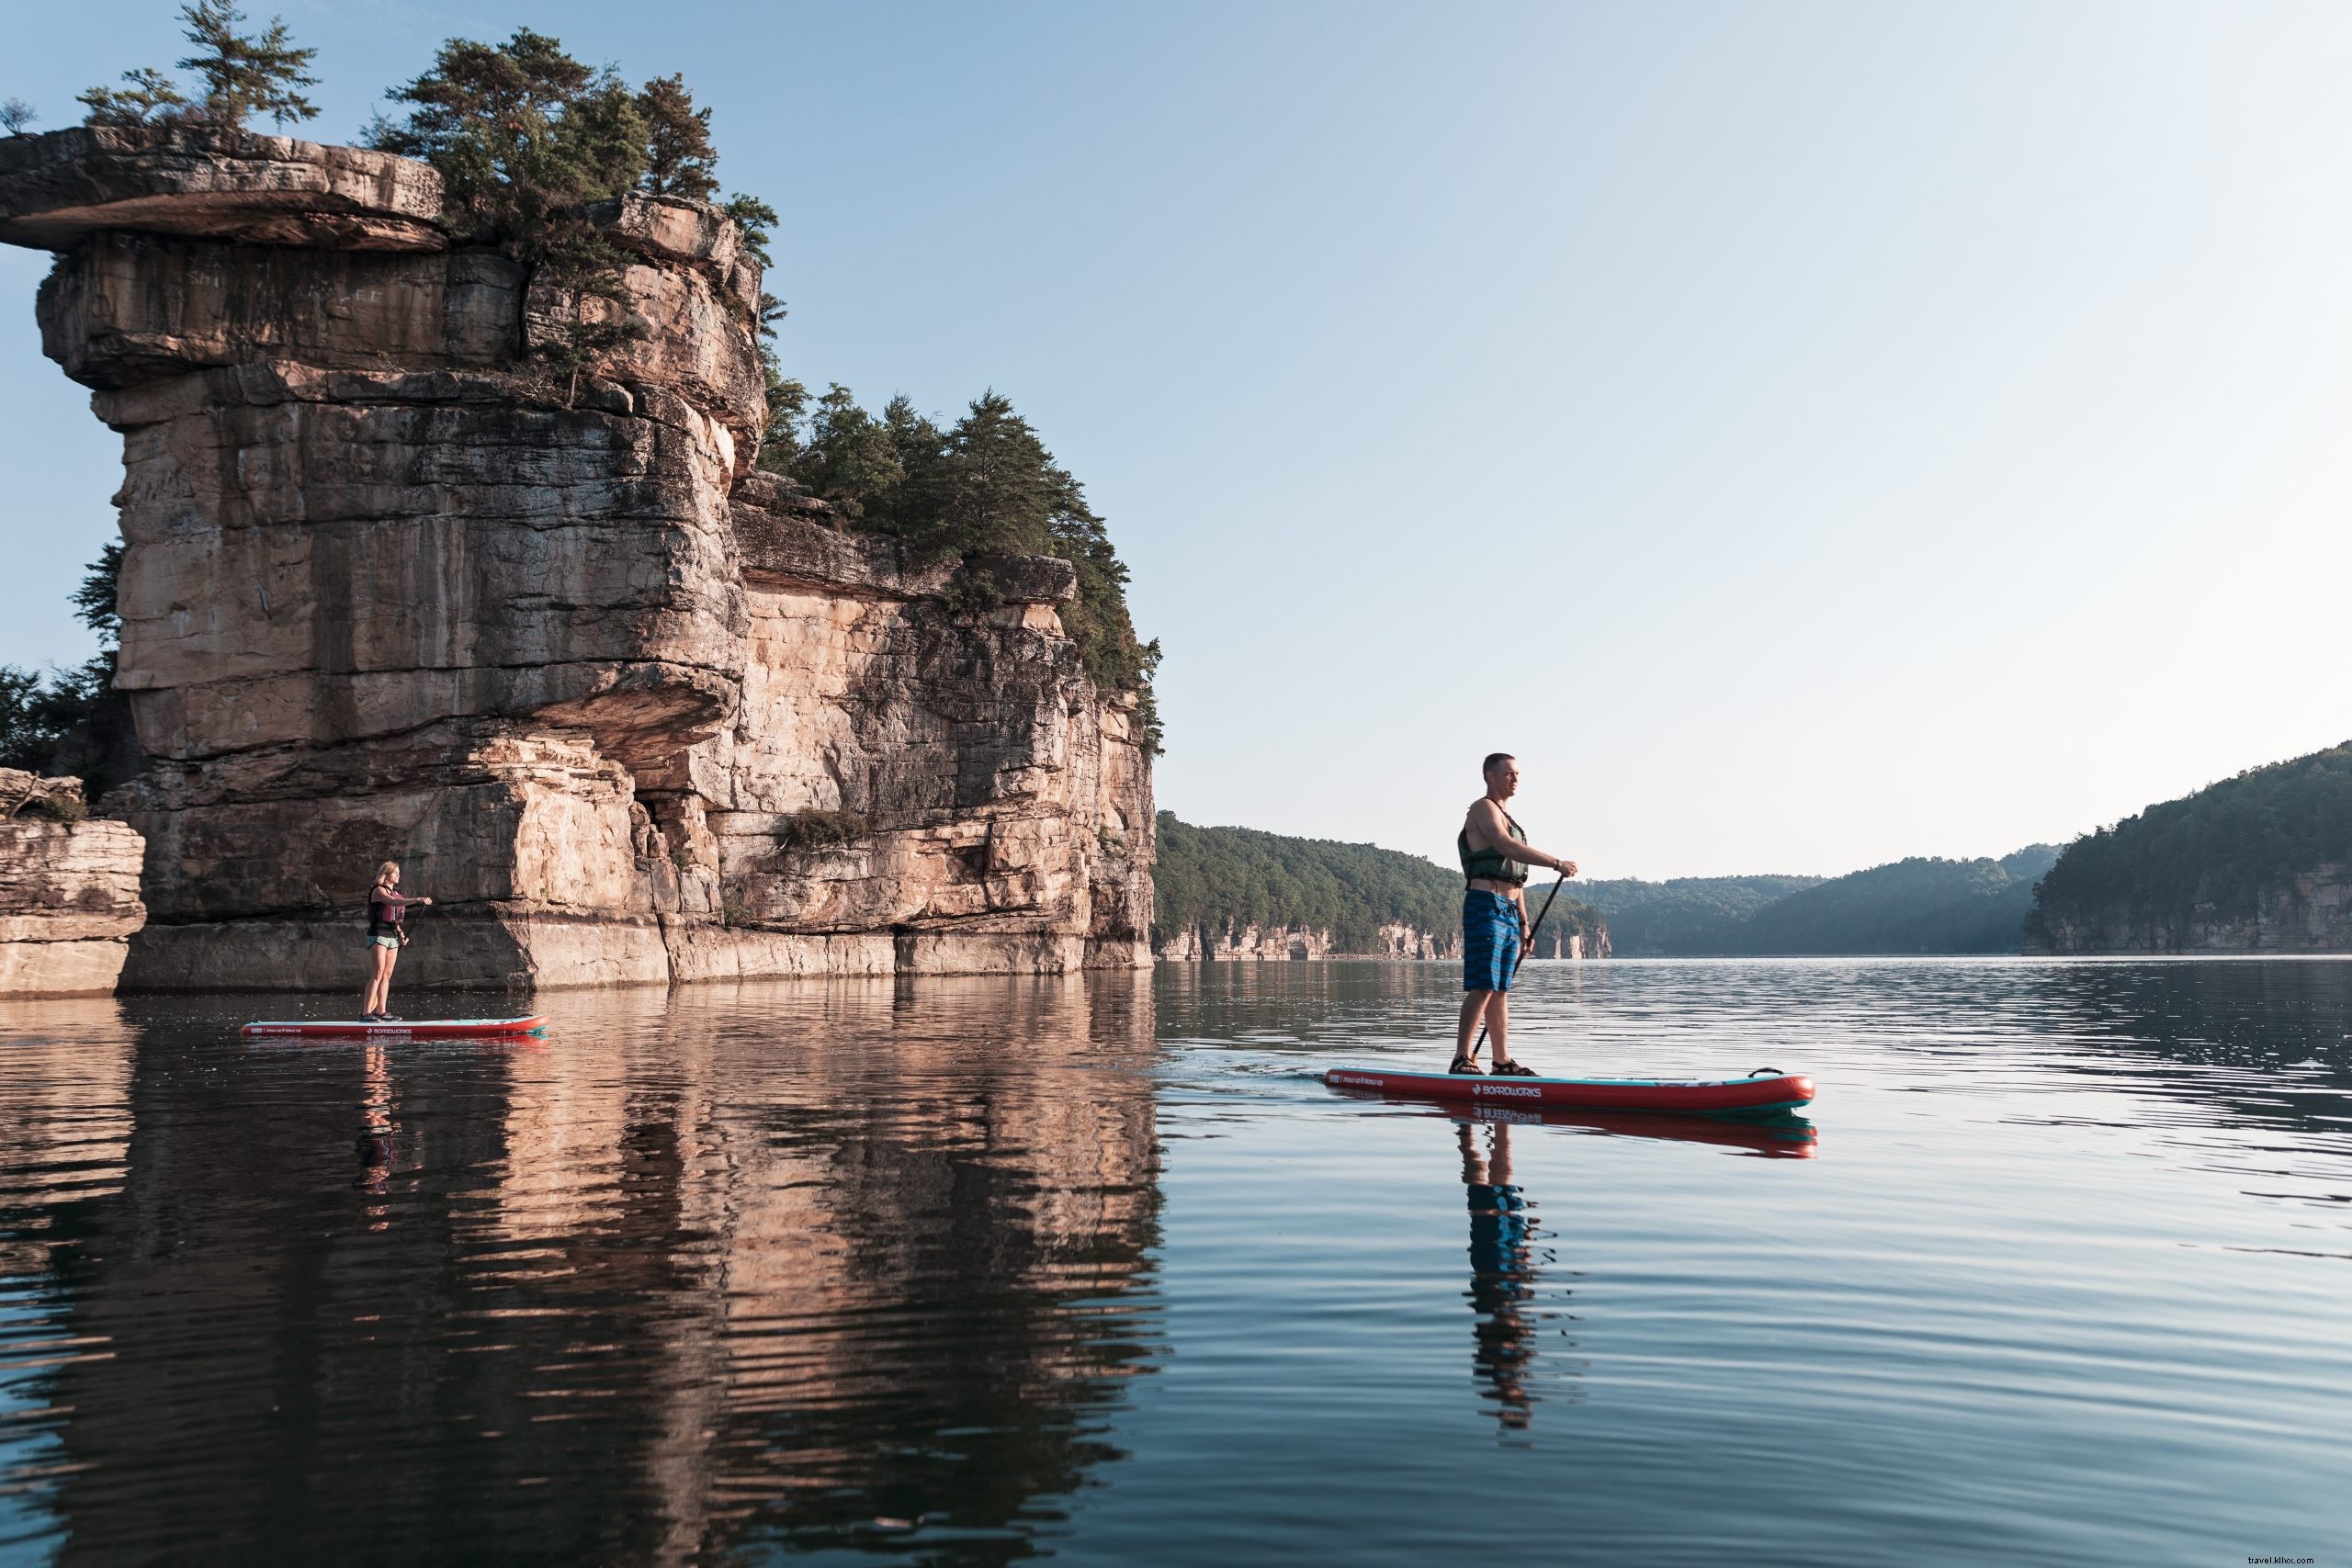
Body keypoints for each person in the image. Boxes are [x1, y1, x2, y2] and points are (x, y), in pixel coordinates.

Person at [1454, 752, 1577, 1075]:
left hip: (1509, 909)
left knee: (1501, 988)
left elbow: (1516, 879)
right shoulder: (1483, 809)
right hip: (1485, 905)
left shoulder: (1512, 820)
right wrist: (1555, 862)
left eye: (1518, 774)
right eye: (1508, 774)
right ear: (1490, 776)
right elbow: (1505, 847)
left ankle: (1502, 1061)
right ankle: (1462, 1058)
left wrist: (1524, 925)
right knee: (1483, 984)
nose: (1515, 779)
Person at [361, 860, 432, 1021]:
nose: (398, 875)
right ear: (386, 874)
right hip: (378, 934)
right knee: (378, 972)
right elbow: (392, 902)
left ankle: (381, 1012)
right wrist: (417, 899)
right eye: (395, 872)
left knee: (387, 974)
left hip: (393, 936)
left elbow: (394, 919)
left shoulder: (398, 893)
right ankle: (365, 1013)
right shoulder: (379, 891)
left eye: (399, 873)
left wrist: (401, 934)